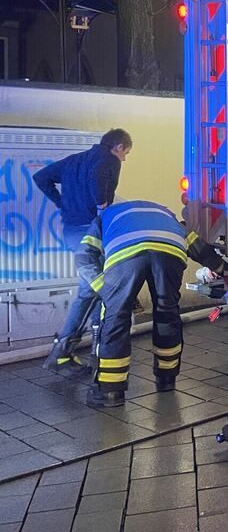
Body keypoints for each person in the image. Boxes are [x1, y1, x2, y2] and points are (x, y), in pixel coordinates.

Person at [76, 200, 228, 407]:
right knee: (167, 312)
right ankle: (167, 379)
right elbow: (197, 246)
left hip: (125, 253)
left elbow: (83, 257)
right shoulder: (164, 212)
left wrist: (105, 290)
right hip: (169, 251)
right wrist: (225, 270)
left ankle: (111, 392)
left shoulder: (104, 217)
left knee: (116, 317)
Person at [33, 128, 133, 373]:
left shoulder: (73, 160)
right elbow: (98, 175)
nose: (124, 159)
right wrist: (102, 205)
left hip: (71, 231)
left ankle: (98, 347)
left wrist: (61, 203)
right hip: (91, 231)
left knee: (97, 285)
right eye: (126, 153)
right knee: (90, 289)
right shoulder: (108, 159)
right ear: (118, 146)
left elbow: (40, 177)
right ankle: (62, 352)